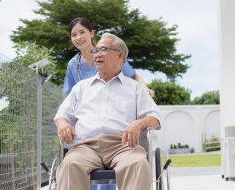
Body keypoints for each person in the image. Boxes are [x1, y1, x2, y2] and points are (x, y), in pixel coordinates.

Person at [54, 32, 161, 190]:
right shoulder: (81, 88)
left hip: (123, 146)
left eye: (103, 49)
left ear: (120, 55)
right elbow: (61, 115)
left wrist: (139, 123)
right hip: (85, 146)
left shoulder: (135, 88)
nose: (97, 54)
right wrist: (63, 125)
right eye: (95, 51)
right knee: (70, 165)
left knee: (138, 164)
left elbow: (155, 118)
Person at [63, 17, 155, 97]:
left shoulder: (111, 52)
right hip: (88, 111)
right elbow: (69, 94)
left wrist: (145, 89)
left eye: (82, 32)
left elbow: (133, 76)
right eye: (74, 35)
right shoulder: (73, 64)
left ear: (91, 33)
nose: (78, 37)